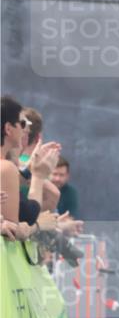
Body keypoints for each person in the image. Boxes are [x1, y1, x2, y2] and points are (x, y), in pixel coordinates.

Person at [1, 95, 60, 241]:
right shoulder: (6, 168)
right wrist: (38, 176)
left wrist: (29, 169)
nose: (26, 129)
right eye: (22, 124)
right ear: (8, 129)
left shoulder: (8, 168)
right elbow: (15, 231)